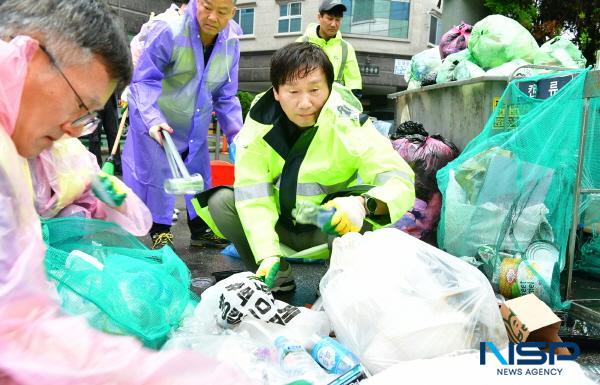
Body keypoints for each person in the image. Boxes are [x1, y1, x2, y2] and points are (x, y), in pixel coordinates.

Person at [0, 1, 249, 383]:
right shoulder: (169, 31)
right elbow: (15, 332)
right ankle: (166, 227)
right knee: (154, 183)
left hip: (195, 126)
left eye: (88, 116)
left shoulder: (25, 136)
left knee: (190, 186)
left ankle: (195, 228)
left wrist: (237, 132)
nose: (72, 128)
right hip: (159, 124)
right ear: (30, 56)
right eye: (81, 105)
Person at [197, 42, 415, 292]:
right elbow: (253, 195)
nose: (304, 103)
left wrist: (363, 204)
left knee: (351, 218)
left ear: (329, 88)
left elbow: (397, 178)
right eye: (293, 92)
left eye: (314, 90)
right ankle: (274, 275)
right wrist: (267, 253)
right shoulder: (258, 126)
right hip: (279, 218)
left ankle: (340, 289)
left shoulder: (348, 123)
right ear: (277, 92)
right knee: (221, 200)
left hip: (320, 219)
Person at [122, 0, 243, 250]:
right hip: (156, 115)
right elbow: (144, 81)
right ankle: (160, 230)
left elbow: (226, 95)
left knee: (198, 174)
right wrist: (153, 120)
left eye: (222, 12)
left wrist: (236, 135)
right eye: (207, 7)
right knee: (158, 172)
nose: (212, 17)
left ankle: (201, 229)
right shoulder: (170, 30)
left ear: (233, 13)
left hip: (195, 118)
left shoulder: (232, 41)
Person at [297, 0, 362, 99]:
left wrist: (353, 104)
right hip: (307, 102)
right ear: (319, 17)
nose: (333, 24)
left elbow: (353, 82)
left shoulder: (346, 48)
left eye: (337, 20)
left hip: (334, 106)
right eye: (330, 18)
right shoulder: (301, 43)